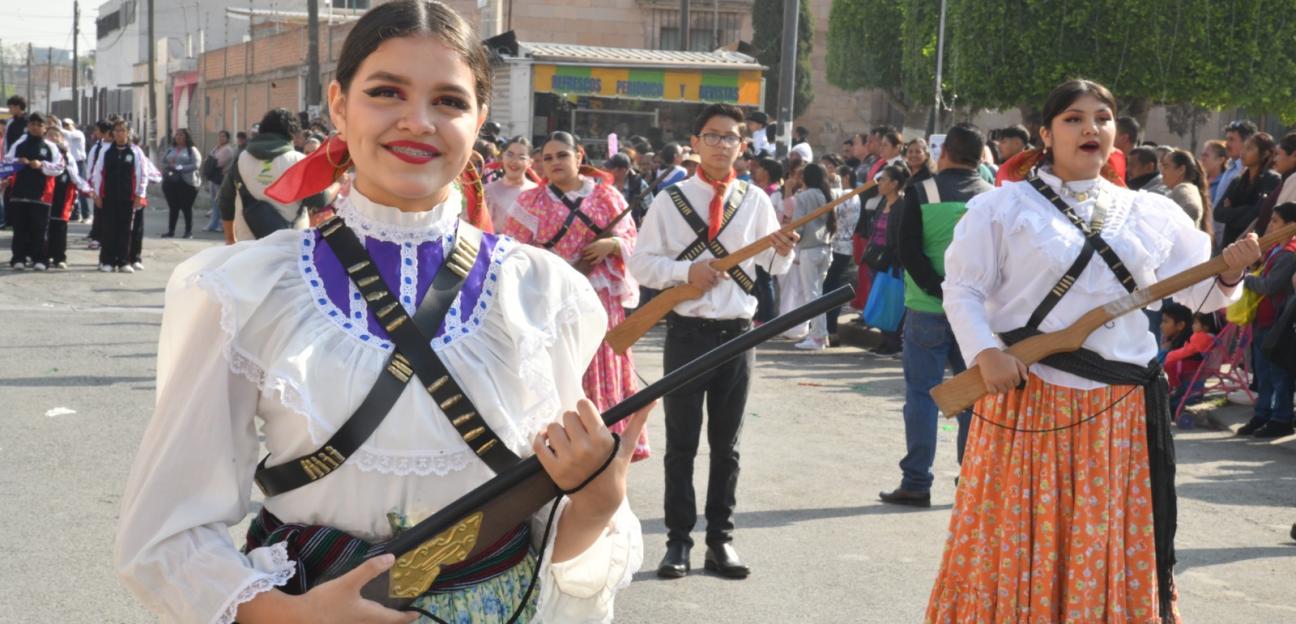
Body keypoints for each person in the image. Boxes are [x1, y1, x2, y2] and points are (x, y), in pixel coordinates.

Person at [115, 2, 650, 622]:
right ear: (339, 105)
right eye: (386, 92)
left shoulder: (544, 294)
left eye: (448, 101)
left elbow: (550, 539)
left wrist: (597, 504)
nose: (417, 121)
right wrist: (290, 615)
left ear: (479, 120)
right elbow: (166, 529)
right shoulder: (250, 288)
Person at [929, 78, 1261, 623]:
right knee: (1017, 539)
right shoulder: (1002, 207)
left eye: (1102, 118)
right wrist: (985, 352)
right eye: (1074, 119)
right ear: (1045, 133)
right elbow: (962, 288)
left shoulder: (1150, 212)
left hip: (1118, 412)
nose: (1091, 128)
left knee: (1102, 539)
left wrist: (1231, 271)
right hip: (1029, 397)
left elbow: (1201, 292)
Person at [629, 103, 797, 581]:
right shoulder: (671, 199)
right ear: (695, 142)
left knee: (728, 447)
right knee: (681, 445)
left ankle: (720, 540)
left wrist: (784, 250)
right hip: (687, 334)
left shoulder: (755, 199)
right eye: (713, 135)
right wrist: (687, 272)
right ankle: (677, 542)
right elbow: (641, 264)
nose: (722, 145)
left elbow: (772, 266)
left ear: (742, 146)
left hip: (737, 335)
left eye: (730, 138)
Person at [503, 130, 649, 460]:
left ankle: (610, 444)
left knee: (603, 364)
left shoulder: (607, 196)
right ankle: (564, 448)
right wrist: (549, 265)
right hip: (553, 302)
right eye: (547, 158)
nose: (554, 162)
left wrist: (612, 244)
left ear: (579, 156)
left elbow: (633, 239)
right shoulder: (531, 202)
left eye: (562, 155)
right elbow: (512, 251)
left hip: (601, 297)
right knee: (563, 368)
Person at [880, 123, 992, 508]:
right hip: (976, 315)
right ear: (980, 157)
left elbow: (908, 250)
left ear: (943, 154)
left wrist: (938, 289)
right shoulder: (993, 197)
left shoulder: (921, 192)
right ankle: (971, 480)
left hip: (927, 310)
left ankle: (916, 482)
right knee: (974, 398)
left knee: (922, 396)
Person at [1237, 202, 1296, 439]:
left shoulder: (1288, 254)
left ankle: (1281, 418)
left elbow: (1271, 286)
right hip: (1263, 320)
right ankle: (1262, 414)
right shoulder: (1276, 249)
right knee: (1263, 373)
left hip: (1276, 323)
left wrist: (1247, 279)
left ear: (1290, 226)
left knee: (1278, 374)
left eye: (1275, 221)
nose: (1270, 226)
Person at [217, 108, 315, 243]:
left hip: (248, 244)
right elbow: (319, 199)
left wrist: (230, 239)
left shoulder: (242, 159)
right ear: (292, 134)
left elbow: (225, 199)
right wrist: (337, 182)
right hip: (291, 244)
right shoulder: (299, 161)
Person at [855, 163, 909, 354]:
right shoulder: (882, 202)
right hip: (876, 259)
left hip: (892, 262)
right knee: (880, 298)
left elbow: (901, 235)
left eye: (884, 179)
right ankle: (885, 340)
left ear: (894, 183)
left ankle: (894, 341)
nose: (879, 183)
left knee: (892, 301)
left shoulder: (902, 206)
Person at [4, 112, 65, 270]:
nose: (35, 127)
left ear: (45, 128)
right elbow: (6, 161)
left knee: (39, 229)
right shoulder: (20, 143)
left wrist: (41, 165)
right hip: (19, 193)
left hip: (42, 195)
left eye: (39, 125)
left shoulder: (50, 146)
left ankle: (40, 260)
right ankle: (18, 258)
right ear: (28, 126)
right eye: (32, 124)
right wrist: (18, 161)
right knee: (19, 229)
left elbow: (59, 168)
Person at [89, 120, 148, 273]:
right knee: (108, 229)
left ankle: (124, 261)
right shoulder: (106, 151)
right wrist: (97, 195)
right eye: (116, 130)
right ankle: (107, 261)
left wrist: (139, 195)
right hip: (108, 196)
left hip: (128, 198)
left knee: (126, 230)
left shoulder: (135, 152)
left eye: (123, 130)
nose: (119, 133)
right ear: (112, 133)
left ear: (128, 133)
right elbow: (97, 173)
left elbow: (142, 174)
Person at [790, 163, 836, 350]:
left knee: (812, 296)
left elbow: (798, 225)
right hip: (826, 246)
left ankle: (818, 336)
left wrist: (793, 241)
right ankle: (820, 334)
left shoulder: (803, 196)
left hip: (809, 248)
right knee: (818, 294)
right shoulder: (828, 195)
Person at [1215, 131, 1281, 247]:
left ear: (1265, 153)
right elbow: (1218, 212)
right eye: (1243, 148)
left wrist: (1231, 211)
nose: (1243, 152)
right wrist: (1246, 210)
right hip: (1229, 243)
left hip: (1250, 245)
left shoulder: (1271, 179)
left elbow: (1257, 214)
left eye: (1249, 148)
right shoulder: (1237, 181)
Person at [43, 125, 90, 269]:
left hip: (62, 194)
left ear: (61, 138)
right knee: (44, 227)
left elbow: (75, 176)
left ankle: (60, 257)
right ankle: (43, 256)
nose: (52, 138)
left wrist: (86, 189)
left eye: (55, 135)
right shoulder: (43, 152)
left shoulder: (67, 156)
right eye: (49, 135)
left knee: (60, 227)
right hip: (45, 195)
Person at [482, 136, 538, 227]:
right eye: (510, 155)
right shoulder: (486, 191)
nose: (514, 161)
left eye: (522, 157)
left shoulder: (538, 193)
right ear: (502, 157)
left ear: (530, 163)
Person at [161, 128, 202, 238]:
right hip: (171, 181)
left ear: (186, 137)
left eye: (181, 135)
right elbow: (163, 161)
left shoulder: (191, 150)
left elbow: (196, 165)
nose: (178, 137)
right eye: (177, 135)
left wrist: (181, 167)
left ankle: (188, 231)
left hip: (187, 182)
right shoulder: (171, 149)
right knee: (173, 207)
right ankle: (171, 231)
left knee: (186, 207)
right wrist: (169, 166)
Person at [1252, 132, 1296, 235]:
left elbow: (1278, 220)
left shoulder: (1293, 180)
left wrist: (1263, 244)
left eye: (1277, 154)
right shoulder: (1285, 180)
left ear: (1294, 155)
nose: (1274, 160)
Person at [1161, 148, 1213, 234]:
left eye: (1166, 167)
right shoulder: (1184, 189)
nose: (1162, 172)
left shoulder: (1183, 190)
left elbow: (1192, 208)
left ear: (1181, 169)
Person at [1214, 120, 1257, 209]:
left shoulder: (1249, 170)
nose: (1227, 144)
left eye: (1231, 139)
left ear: (1246, 142)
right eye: (1227, 139)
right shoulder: (1230, 165)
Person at [204, 130, 237, 232]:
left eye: (223, 136)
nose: (221, 138)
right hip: (213, 177)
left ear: (227, 138)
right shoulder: (217, 148)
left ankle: (221, 224)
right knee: (214, 202)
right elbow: (209, 159)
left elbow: (218, 163)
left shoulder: (228, 150)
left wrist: (210, 162)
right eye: (219, 136)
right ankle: (213, 223)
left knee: (220, 202)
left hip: (221, 178)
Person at [606, 151, 651, 226]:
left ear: (623, 170)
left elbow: (650, 207)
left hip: (633, 229)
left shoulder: (639, 184)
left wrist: (645, 219)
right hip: (609, 228)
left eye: (611, 168)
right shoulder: (604, 183)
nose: (607, 171)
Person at [61, 118, 89, 222]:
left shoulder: (78, 134)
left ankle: (86, 214)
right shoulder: (64, 135)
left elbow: (70, 135)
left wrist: (57, 127)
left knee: (81, 188)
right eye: (64, 125)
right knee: (70, 188)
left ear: (73, 125)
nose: (66, 126)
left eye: (68, 124)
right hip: (69, 162)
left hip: (79, 162)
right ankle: (75, 213)